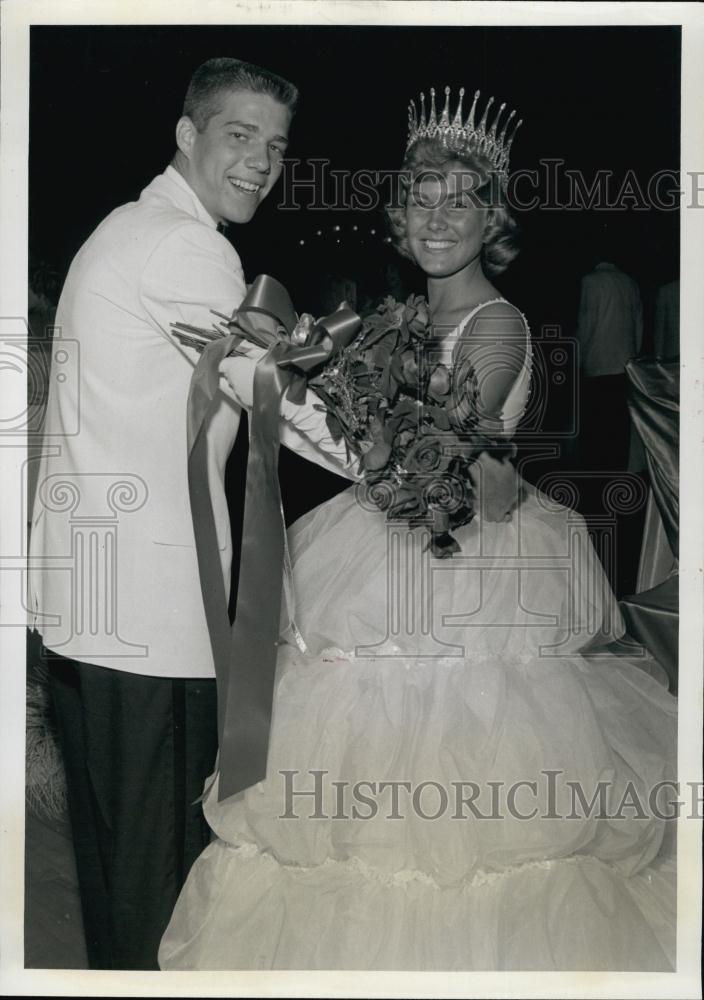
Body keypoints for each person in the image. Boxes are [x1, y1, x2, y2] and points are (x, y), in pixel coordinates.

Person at [159, 88, 676, 971]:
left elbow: (450, 441)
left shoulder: (498, 322)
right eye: (422, 197)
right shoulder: (397, 317)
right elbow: (367, 439)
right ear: (400, 212)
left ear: (492, 216)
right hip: (373, 554)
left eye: (461, 199)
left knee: (463, 808)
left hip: (466, 571)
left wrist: (313, 379)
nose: (439, 218)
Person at [26, 56, 364, 971]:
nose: (260, 162)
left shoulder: (129, 228)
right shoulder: (184, 247)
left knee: (118, 883)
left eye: (277, 146)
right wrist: (396, 462)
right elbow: (279, 394)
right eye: (239, 136)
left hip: (101, 617)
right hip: (148, 615)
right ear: (186, 133)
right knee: (160, 897)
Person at [575, 236, 644, 471]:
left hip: (597, 364)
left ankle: (597, 470)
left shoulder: (590, 282)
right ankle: (615, 470)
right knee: (617, 425)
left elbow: (586, 324)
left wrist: (579, 359)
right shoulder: (630, 282)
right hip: (625, 366)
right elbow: (638, 326)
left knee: (596, 424)